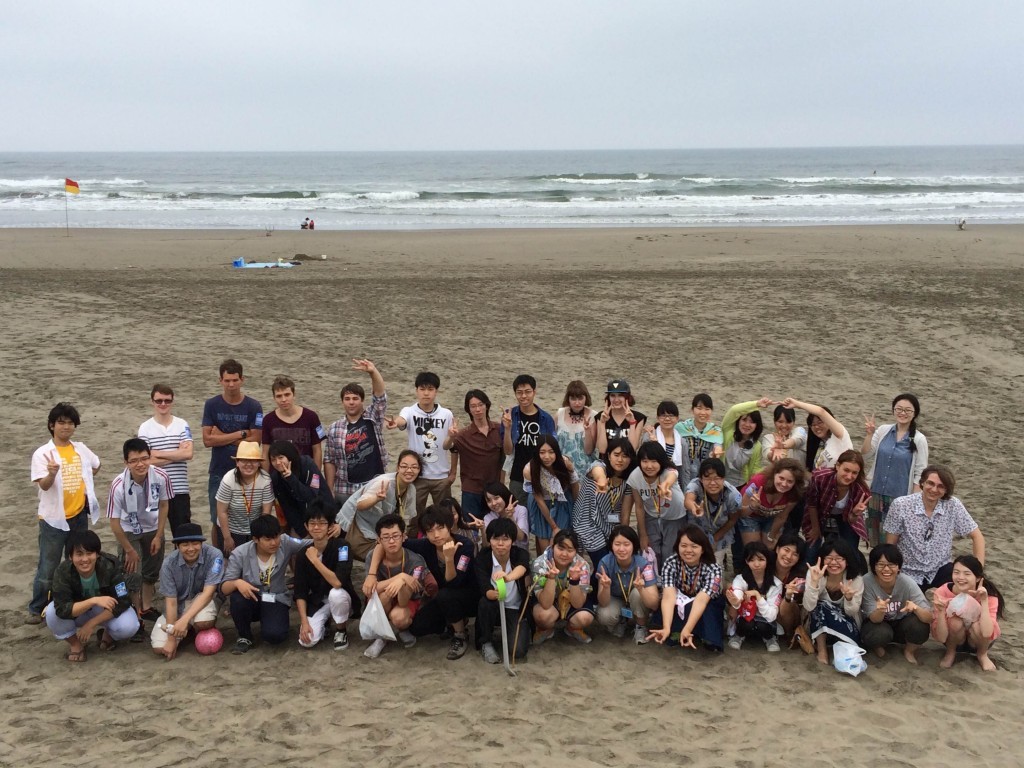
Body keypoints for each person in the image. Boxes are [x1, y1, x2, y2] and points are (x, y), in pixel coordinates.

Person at [368, 506, 478, 659]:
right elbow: (386, 544)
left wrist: (449, 559)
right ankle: (450, 621)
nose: (436, 535)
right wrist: (372, 574)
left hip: (467, 594)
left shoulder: (464, 545)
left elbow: (455, 582)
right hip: (440, 597)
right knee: (417, 628)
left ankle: (460, 635)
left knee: (446, 595)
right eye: (430, 531)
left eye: (440, 528)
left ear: (449, 526)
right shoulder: (426, 545)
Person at [28, 403, 102, 624]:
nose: (66, 427)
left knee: (78, 560)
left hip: (78, 515)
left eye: (70, 423)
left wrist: (85, 478)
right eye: (61, 422)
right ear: (52, 425)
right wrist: (52, 474)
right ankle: (37, 607)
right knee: (48, 566)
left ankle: (73, 600)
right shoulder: (43, 453)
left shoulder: (80, 448)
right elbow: (43, 485)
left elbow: (96, 465)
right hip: (53, 518)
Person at [105, 437, 172, 639]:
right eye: (134, 460)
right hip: (129, 528)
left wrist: (159, 535)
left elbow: (164, 505)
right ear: (126, 462)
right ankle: (135, 614)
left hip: (153, 526)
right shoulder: (118, 485)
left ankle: (146, 606)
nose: (140, 464)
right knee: (132, 573)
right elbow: (114, 522)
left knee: (152, 569)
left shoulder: (161, 476)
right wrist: (129, 549)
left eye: (144, 458)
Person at [884, 465, 985, 590]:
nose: (934, 489)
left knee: (973, 592)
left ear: (946, 489)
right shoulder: (901, 505)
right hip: (909, 571)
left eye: (941, 486)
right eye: (930, 483)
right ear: (922, 483)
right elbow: (890, 545)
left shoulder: (953, 505)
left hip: (941, 568)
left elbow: (977, 536)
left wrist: (978, 573)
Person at [44, 530, 140, 661]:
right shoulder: (63, 571)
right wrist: (93, 600)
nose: (85, 559)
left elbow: (123, 601)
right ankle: (75, 644)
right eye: (79, 554)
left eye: (89, 553)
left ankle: (108, 635)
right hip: (79, 610)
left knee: (130, 625)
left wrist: (92, 623)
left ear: (97, 554)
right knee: (51, 612)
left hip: (104, 609)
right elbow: (62, 609)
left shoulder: (111, 565)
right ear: (70, 556)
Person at [221, 515, 311, 654]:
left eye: (276, 537)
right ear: (255, 539)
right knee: (237, 599)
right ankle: (244, 636)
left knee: (276, 636)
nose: (274, 543)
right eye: (268, 539)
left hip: (276, 597)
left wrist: (333, 530)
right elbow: (224, 588)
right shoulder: (240, 553)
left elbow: (311, 543)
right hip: (252, 597)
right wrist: (237, 582)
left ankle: (270, 622)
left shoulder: (285, 542)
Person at [202, 359, 263, 550]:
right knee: (216, 518)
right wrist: (241, 434)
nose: (231, 385)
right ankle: (218, 555)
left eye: (235, 380)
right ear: (220, 380)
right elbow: (207, 440)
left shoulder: (254, 406)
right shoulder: (212, 404)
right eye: (227, 380)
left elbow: (256, 441)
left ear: (242, 380)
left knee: (250, 517)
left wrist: (222, 435)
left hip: (248, 472)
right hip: (219, 470)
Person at [360, 514, 439, 659]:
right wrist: (400, 577)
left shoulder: (415, 560)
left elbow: (409, 593)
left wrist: (402, 582)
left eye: (396, 536)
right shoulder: (373, 556)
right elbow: (369, 589)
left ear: (404, 536)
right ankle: (381, 637)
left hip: (405, 600)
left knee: (399, 616)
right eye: (386, 537)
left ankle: (398, 628)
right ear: (379, 540)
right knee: (385, 594)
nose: (391, 541)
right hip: (382, 600)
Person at [150, 523, 223, 660]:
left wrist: (184, 620)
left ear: (201, 543)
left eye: (195, 543)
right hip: (178, 604)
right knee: (159, 648)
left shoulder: (214, 555)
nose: (191, 549)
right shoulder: (168, 564)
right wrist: (171, 638)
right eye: (185, 545)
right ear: (177, 546)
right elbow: (171, 602)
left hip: (202, 599)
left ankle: (194, 626)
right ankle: (186, 631)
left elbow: (208, 593)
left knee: (203, 622)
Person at [863, 393, 929, 546]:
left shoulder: (919, 439)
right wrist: (869, 435)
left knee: (893, 542)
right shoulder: (883, 431)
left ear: (914, 414)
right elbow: (865, 455)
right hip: (875, 493)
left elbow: (920, 473)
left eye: (907, 410)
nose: (902, 413)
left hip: (899, 498)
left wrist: (914, 502)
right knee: (875, 539)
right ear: (893, 410)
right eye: (899, 409)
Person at [647, 525, 725, 652]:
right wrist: (666, 627)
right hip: (681, 598)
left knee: (707, 610)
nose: (688, 550)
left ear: (703, 549)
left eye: (694, 546)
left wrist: (687, 629)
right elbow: (668, 597)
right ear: (677, 546)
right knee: (674, 605)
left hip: (706, 602)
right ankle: (674, 631)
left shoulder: (713, 568)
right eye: (683, 545)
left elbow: (702, 600)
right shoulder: (671, 563)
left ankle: (697, 634)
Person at [322, 359, 389, 507]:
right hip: (344, 488)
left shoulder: (373, 418)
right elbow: (329, 460)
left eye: (355, 398)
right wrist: (329, 489)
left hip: (373, 485)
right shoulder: (334, 428)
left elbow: (380, 398)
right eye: (347, 399)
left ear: (362, 401)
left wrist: (373, 372)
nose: (351, 402)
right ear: (342, 402)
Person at [294, 499, 359, 652]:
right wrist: (304, 622)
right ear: (306, 526)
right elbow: (300, 592)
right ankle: (324, 624)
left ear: (330, 526)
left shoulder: (342, 546)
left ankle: (341, 630)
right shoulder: (302, 554)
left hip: (342, 597)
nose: (316, 527)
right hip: (319, 600)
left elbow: (337, 582)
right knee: (307, 641)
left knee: (336, 593)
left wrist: (315, 560)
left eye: (322, 523)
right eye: (312, 523)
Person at [387, 371, 456, 513]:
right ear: (416, 390)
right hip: (417, 475)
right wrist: (396, 423)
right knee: (414, 516)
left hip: (441, 476)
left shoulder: (446, 414)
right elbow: (402, 420)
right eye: (422, 389)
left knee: (444, 515)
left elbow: (447, 446)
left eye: (430, 389)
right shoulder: (409, 411)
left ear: (436, 391)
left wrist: (451, 437)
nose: (426, 393)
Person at [336, 450, 422, 560]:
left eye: (414, 467)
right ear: (398, 468)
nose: (409, 470)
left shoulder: (411, 489)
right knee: (384, 557)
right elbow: (360, 504)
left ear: (419, 470)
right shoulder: (384, 482)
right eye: (404, 466)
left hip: (379, 527)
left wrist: (401, 533)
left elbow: (406, 517)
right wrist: (376, 498)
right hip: (360, 525)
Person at [860, 543, 932, 664]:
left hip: (900, 623)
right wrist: (881, 610)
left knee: (920, 625)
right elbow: (874, 619)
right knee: (878, 633)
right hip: (876, 624)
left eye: (891, 564)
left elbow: (929, 618)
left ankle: (909, 651)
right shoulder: (867, 581)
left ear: (898, 567)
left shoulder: (907, 582)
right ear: (873, 567)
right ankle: (879, 649)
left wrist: (916, 608)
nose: (886, 569)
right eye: (881, 564)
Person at [931, 555, 1004, 672]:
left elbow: (987, 632)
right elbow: (941, 637)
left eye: (967, 574)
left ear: (978, 578)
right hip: (953, 639)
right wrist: (941, 612)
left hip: (979, 640)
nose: (961, 577)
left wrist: (984, 601)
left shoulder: (989, 594)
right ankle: (950, 653)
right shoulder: (942, 592)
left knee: (977, 626)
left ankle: (982, 655)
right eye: (956, 572)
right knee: (955, 621)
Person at [139, 383, 194, 534]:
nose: (163, 404)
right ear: (152, 401)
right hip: (154, 489)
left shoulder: (182, 424)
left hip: (179, 489)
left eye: (167, 400)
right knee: (153, 534)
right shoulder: (145, 428)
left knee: (182, 533)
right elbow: (145, 461)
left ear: (172, 401)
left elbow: (188, 454)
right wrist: (177, 454)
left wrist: (157, 453)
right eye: (159, 400)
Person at [475, 517, 531, 664]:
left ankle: (519, 629)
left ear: (512, 540)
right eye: (495, 539)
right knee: (486, 603)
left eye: (505, 539)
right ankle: (486, 642)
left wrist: (508, 577)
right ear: (489, 540)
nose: (500, 544)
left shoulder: (520, 553)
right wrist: (491, 593)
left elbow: (522, 568)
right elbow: (483, 585)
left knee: (518, 651)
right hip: (493, 605)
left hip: (514, 608)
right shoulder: (482, 557)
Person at [571, 438, 636, 565]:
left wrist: (623, 537)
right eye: (616, 455)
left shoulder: (628, 480)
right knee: (604, 564)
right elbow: (598, 472)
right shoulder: (599, 466)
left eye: (625, 456)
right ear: (609, 455)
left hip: (611, 525)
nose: (620, 460)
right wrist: (601, 482)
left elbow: (625, 514)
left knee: (613, 563)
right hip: (587, 523)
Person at [802, 538, 865, 665]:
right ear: (822, 559)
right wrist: (814, 584)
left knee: (826, 607)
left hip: (847, 626)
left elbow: (852, 612)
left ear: (847, 561)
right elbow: (808, 607)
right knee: (821, 606)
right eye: (829, 558)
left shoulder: (855, 579)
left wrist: (849, 598)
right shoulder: (815, 573)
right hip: (818, 627)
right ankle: (822, 650)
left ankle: (846, 649)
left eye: (839, 558)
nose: (834, 562)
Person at [594, 525, 659, 644]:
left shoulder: (644, 565)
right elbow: (603, 603)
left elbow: (654, 605)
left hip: (636, 599)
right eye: (617, 544)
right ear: (611, 545)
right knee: (604, 615)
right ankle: (621, 621)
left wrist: (641, 589)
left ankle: (641, 626)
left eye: (626, 544)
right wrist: (605, 588)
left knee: (637, 594)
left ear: (634, 545)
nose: (621, 549)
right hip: (616, 598)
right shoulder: (605, 563)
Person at [802, 449, 870, 563]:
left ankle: (851, 571)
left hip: (845, 516)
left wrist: (855, 513)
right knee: (811, 550)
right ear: (838, 466)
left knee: (849, 551)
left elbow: (851, 520)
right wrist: (815, 528)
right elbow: (812, 504)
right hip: (819, 513)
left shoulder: (862, 491)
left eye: (854, 473)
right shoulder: (820, 477)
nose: (849, 476)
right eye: (846, 470)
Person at [445, 389, 502, 523]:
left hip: (494, 489)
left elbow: (508, 454)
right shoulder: (463, 434)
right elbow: (447, 446)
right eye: (473, 406)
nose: (478, 409)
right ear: (468, 410)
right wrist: (451, 437)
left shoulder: (499, 429)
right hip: (471, 490)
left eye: (481, 405)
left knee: (494, 527)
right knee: (471, 526)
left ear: (487, 405)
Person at [624, 441, 685, 567]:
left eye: (654, 461)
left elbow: (671, 477)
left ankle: (668, 577)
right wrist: (643, 535)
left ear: (661, 461)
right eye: (645, 461)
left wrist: (665, 486)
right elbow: (639, 507)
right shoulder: (635, 476)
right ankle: (654, 578)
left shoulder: (668, 471)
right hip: (651, 515)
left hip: (674, 516)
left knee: (670, 552)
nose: (649, 466)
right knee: (651, 551)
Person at [531, 529, 595, 645]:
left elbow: (578, 604)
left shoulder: (582, 566)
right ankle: (546, 629)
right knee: (543, 616)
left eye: (570, 550)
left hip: (571, 600)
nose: (564, 554)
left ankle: (572, 628)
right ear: (553, 546)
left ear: (576, 551)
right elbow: (545, 603)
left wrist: (574, 581)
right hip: (549, 601)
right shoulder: (540, 564)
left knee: (584, 618)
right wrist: (551, 579)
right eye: (560, 549)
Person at [500, 374, 556, 505]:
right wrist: (507, 428)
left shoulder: (546, 418)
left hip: (541, 475)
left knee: (541, 511)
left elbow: (552, 450)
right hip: (517, 476)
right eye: (519, 392)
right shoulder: (510, 416)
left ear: (534, 392)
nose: (523, 396)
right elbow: (508, 451)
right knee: (519, 512)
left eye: (527, 392)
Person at [215, 441, 275, 555]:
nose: (249, 464)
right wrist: (227, 538)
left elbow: (266, 512)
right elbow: (222, 511)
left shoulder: (266, 480)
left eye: (253, 461)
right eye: (244, 460)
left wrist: (259, 535)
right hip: (231, 528)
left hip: (255, 529)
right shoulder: (228, 479)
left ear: (259, 463)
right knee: (230, 560)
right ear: (237, 462)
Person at [683, 458, 744, 569]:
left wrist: (715, 539)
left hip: (721, 533)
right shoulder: (695, 485)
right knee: (693, 563)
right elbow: (688, 500)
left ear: (723, 478)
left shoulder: (733, 495)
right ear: (701, 479)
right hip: (697, 532)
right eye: (707, 478)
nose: (712, 483)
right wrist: (693, 507)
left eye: (717, 478)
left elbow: (733, 520)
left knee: (715, 564)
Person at [523, 434, 579, 553]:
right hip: (541, 505)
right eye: (542, 452)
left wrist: (575, 508)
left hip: (563, 502)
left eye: (551, 452)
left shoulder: (565, 463)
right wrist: (553, 526)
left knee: (561, 541)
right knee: (545, 547)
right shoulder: (529, 470)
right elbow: (538, 499)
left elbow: (574, 485)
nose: (547, 457)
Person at [267, 440, 333, 537]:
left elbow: (311, 496)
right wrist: (303, 532)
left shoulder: (307, 465)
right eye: (273, 459)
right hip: (301, 523)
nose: (277, 462)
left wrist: (291, 479)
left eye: (281, 458)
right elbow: (288, 508)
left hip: (324, 516)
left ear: (289, 456)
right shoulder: (276, 478)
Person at [725, 542, 783, 652]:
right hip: (746, 618)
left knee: (762, 626)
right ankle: (739, 635)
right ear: (746, 561)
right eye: (751, 560)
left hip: (766, 620)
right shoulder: (740, 579)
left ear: (767, 560)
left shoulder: (776, 584)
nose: (756, 564)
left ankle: (769, 638)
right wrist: (736, 602)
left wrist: (757, 596)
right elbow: (737, 593)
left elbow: (771, 615)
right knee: (746, 623)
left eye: (761, 559)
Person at [259, 375, 326, 469]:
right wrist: (266, 476)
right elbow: (265, 453)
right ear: (274, 398)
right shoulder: (268, 420)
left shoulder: (311, 417)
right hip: (278, 473)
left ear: (294, 395)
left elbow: (317, 450)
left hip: (305, 472)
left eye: (287, 395)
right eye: (279, 396)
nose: (283, 400)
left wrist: (316, 475)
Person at [738, 458, 806, 549]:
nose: (784, 484)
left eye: (790, 481)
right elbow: (741, 513)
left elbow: (782, 517)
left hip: (772, 517)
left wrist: (771, 537)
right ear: (774, 474)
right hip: (750, 515)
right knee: (755, 549)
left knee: (769, 547)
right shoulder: (758, 482)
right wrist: (752, 506)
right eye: (781, 478)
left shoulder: (795, 493)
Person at [781, 397, 853, 471]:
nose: (816, 427)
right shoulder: (820, 444)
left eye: (819, 422)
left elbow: (821, 412)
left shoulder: (840, 437)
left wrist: (797, 404)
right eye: (813, 424)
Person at [720, 397, 772, 488]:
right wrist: (756, 404)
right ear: (738, 421)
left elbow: (754, 470)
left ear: (757, 425)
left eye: (752, 422)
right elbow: (734, 410)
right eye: (744, 420)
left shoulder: (757, 446)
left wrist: (768, 471)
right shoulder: (727, 432)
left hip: (739, 485)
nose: (747, 425)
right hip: (719, 481)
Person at [675, 393, 724, 488]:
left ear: (711, 411)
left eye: (707, 409)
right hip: (682, 473)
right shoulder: (681, 427)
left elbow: (717, 445)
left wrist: (716, 452)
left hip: (704, 476)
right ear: (692, 410)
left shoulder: (715, 431)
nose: (703, 412)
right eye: (699, 408)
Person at [555, 380, 598, 473]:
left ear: (586, 398)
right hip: (562, 467)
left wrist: (587, 431)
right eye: (573, 399)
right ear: (568, 399)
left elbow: (589, 451)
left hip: (585, 469)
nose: (577, 403)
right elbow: (552, 442)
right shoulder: (560, 414)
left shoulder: (593, 416)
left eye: (580, 398)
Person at [772, 531, 808, 644]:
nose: (789, 556)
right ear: (777, 549)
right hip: (766, 608)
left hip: (789, 615)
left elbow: (799, 603)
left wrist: (788, 595)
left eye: (795, 554)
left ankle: (788, 635)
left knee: (786, 603)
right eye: (786, 550)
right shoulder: (765, 565)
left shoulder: (801, 575)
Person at [595, 379, 646, 454]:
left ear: (627, 397)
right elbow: (602, 450)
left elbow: (633, 448)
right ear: (608, 398)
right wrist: (602, 423)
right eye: (612, 395)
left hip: (628, 459)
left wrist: (632, 423)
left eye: (620, 395)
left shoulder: (638, 417)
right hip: (606, 459)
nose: (616, 400)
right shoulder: (601, 417)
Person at [481, 481, 530, 550]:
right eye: (489, 501)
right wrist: (482, 528)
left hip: (518, 552)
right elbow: (486, 545)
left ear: (504, 495)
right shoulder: (488, 517)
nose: (493, 503)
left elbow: (521, 537)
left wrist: (511, 517)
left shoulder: (520, 510)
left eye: (496, 498)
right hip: (498, 553)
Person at [642, 400, 683, 476]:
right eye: (663, 415)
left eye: (671, 416)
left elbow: (685, 468)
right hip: (653, 478)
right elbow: (642, 461)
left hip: (675, 480)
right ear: (658, 418)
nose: (667, 419)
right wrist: (654, 444)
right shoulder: (648, 436)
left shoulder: (682, 441)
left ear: (677, 418)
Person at [760, 404, 807, 468]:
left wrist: (782, 446)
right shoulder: (768, 438)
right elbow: (768, 455)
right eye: (780, 422)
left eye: (788, 422)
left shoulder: (799, 431)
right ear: (774, 421)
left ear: (794, 422)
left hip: (801, 473)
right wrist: (773, 453)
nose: (784, 425)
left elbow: (796, 440)